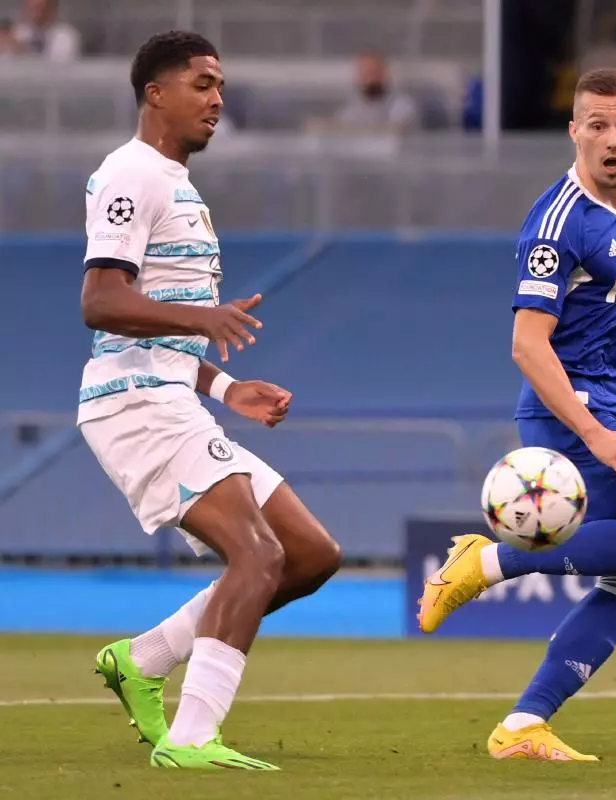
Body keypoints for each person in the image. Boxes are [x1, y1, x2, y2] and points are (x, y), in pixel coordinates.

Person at [416, 67, 616, 762]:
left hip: (607, 406)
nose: (612, 139)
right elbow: (527, 344)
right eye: (597, 125)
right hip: (571, 417)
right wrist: (596, 432)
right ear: (575, 131)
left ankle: (523, 725)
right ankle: (490, 561)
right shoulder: (557, 223)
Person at [81, 31, 341, 770]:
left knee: (310, 555)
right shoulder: (132, 173)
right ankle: (192, 739)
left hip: (172, 396)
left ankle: (143, 658)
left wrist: (227, 387)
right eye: (202, 84)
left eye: (220, 85)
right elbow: (101, 302)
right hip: (134, 403)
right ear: (155, 93)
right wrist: (202, 319)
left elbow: (158, 323)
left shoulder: (178, 185)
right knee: (257, 555)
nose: (217, 99)